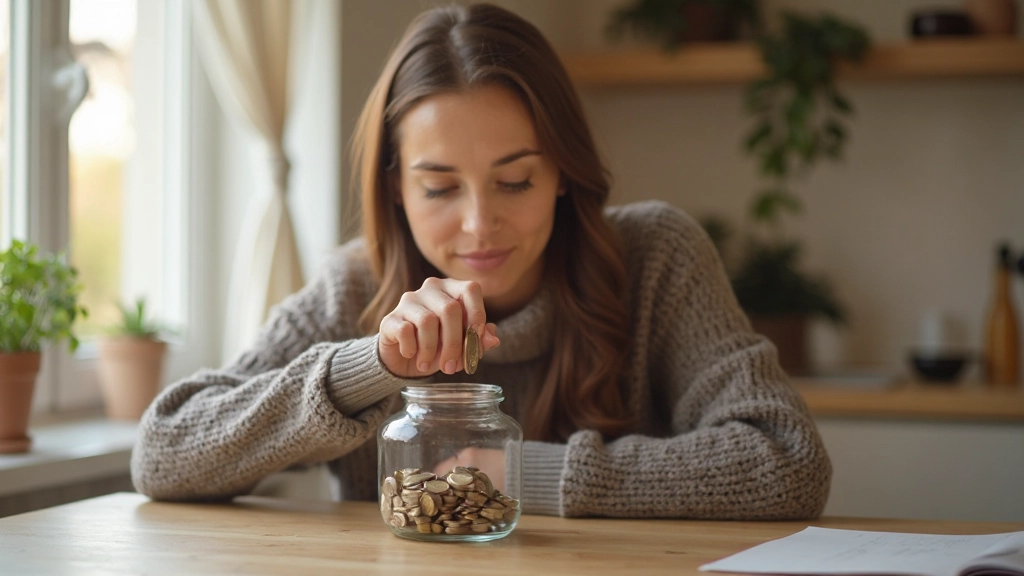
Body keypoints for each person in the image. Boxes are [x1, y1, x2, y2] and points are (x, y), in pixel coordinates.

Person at [132, 3, 831, 520]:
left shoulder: (656, 256)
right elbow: (162, 453)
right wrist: (370, 365)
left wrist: (513, 473)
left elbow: (788, 460)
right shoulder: (353, 289)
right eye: (439, 187)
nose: (477, 224)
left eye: (516, 180)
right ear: (395, 190)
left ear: (564, 172)